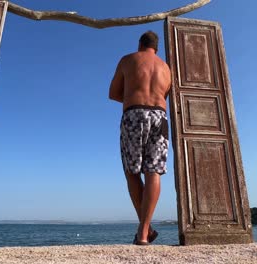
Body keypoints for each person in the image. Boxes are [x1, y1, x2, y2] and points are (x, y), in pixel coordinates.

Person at [108, 31, 172, 245]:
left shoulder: (128, 59)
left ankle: (145, 230)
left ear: (139, 44)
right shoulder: (166, 68)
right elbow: (165, 95)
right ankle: (144, 232)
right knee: (153, 172)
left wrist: (131, 95)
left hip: (134, 115)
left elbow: (113, 93)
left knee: (131, 171)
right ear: (157, 48)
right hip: (160, 117)